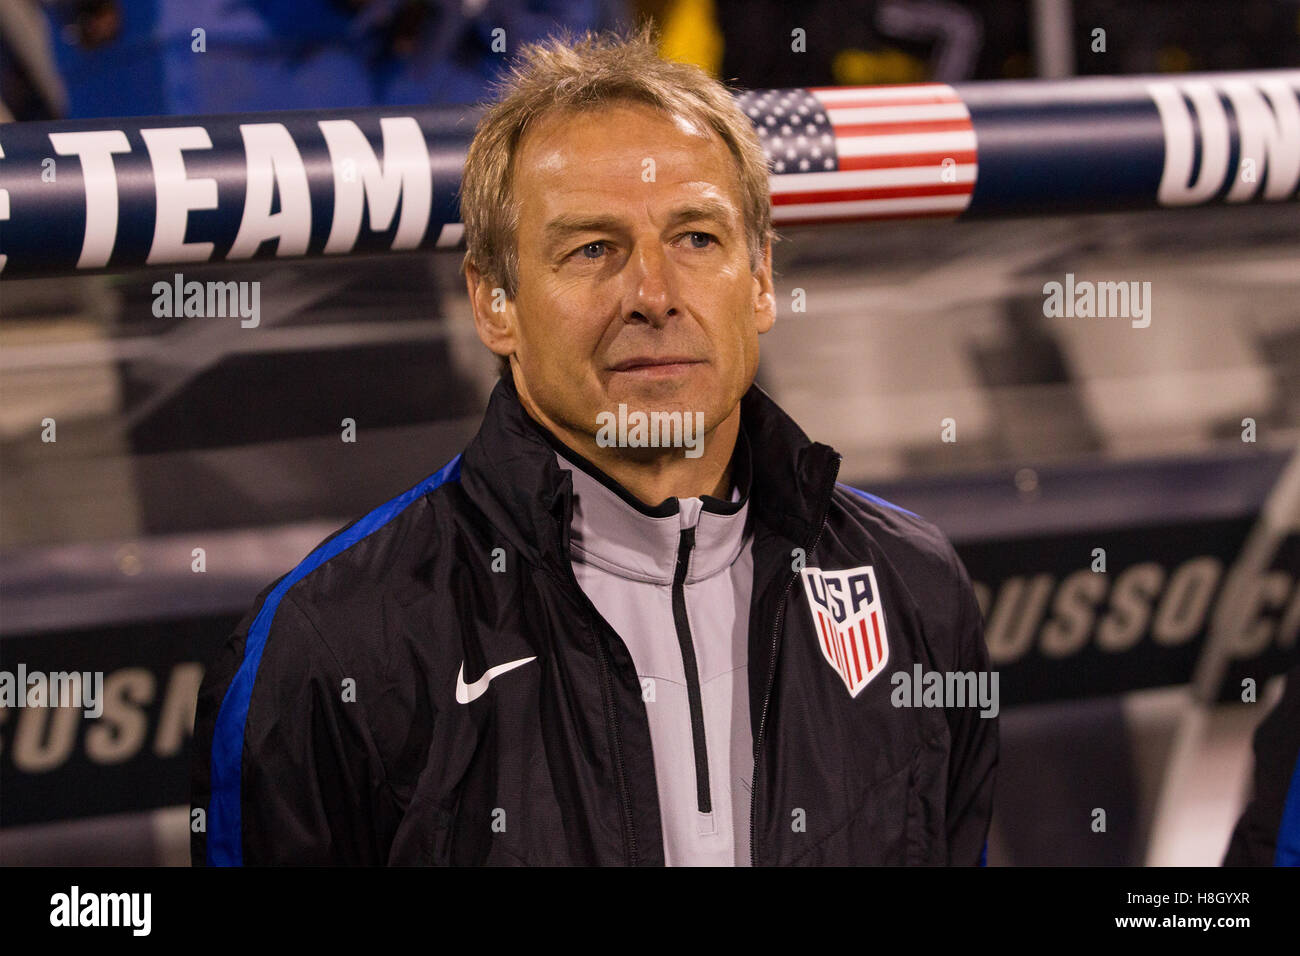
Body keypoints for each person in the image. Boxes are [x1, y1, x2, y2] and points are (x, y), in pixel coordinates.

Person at [190, 23, 997, 866]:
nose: (653, 294)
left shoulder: (916, 589)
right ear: (494, 301)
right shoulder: (330, 644)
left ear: (760, 277)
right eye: (593, 249)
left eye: (696, 239)